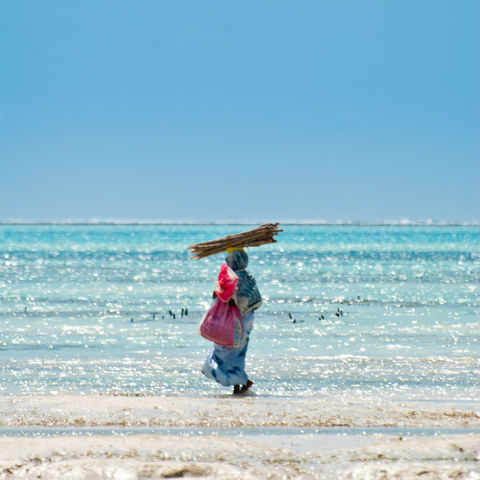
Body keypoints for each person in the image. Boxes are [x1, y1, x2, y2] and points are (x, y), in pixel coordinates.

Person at [201, 248, 262, 395]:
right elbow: (256, 300)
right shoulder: (249, 278)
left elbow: (217, 296)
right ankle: (239, 385)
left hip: (231, 321)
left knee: (224, 352)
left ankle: (241, 383)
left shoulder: (228, 277)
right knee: (238, 352)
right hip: (247, 319)